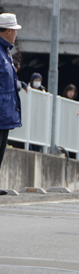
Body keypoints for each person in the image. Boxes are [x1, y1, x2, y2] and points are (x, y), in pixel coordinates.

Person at [0, 13, 23, 195]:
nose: (16, 34)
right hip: (1, 111)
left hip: (5, 112)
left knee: (1, 150)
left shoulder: (6, 51)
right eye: (14, 30)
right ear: (8, 30)